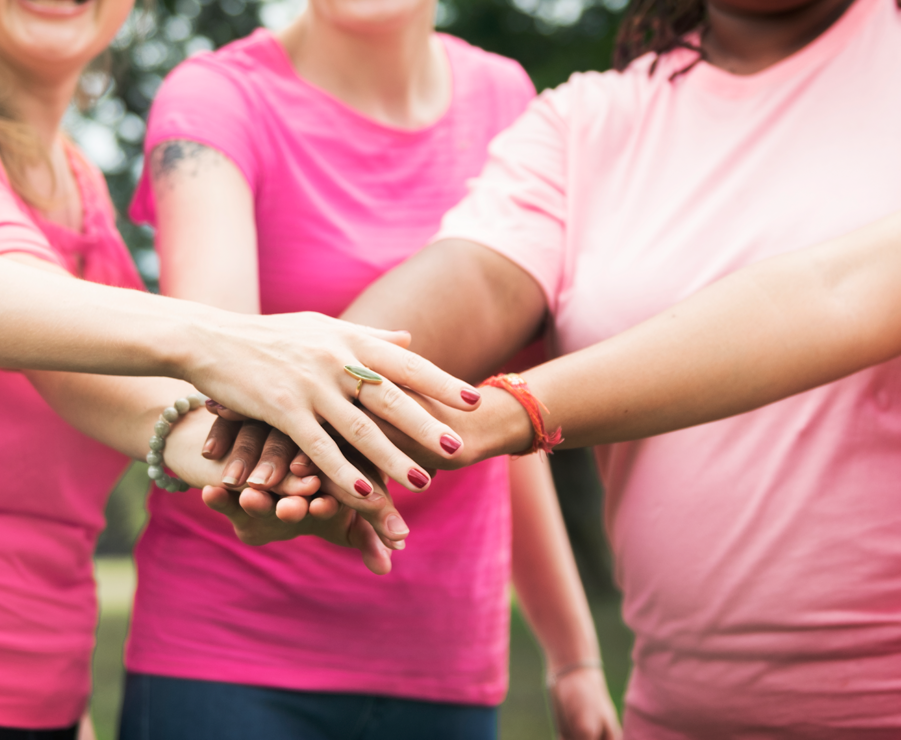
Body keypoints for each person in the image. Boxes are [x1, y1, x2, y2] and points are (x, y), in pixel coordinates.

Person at [0, 0, 479, 737]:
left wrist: (257, 466)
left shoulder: (81, 181)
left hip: (41, 688)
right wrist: (230, 364)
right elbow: (38, 327)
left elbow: (113, 392)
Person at [221, 0, 901, 735]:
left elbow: (844, 294)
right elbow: (477, 278)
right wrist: (306, 418)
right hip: (680, 711)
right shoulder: (589, 120)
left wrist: (516, 410)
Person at [125, 0, 620, 734]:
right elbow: (218, 363)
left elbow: (492, 413)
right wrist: (270, 487)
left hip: (443, 658)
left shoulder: (507, 99)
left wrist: (573, 656)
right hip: (228, 653)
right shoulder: (216, 99)